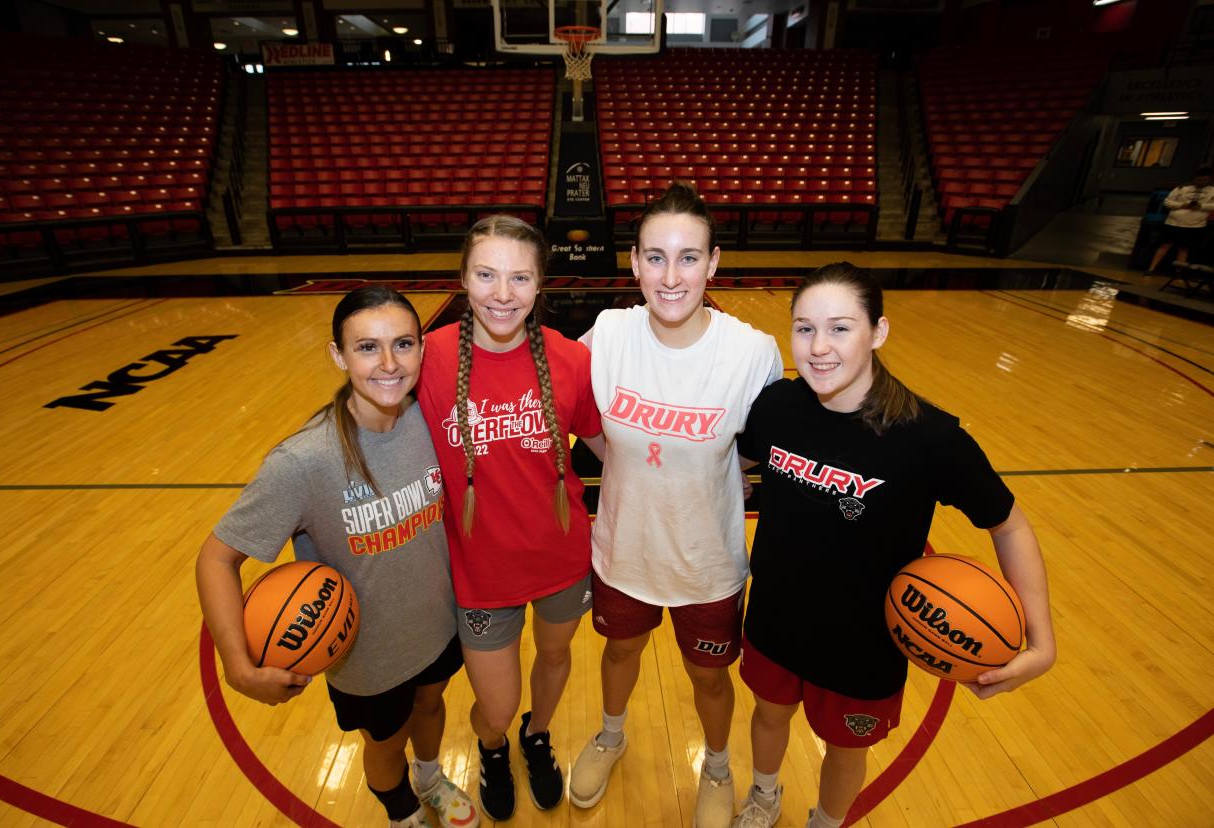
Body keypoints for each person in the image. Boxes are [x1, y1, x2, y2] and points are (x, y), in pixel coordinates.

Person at [731, 262, 1057, 828]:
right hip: (776, 616)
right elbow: (732, 463)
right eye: (804, 328)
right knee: (767, 714)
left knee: (845, 749)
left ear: (878, 332)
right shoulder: (777, 406)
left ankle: (827, 823)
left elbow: (1009, 525)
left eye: (840, 328)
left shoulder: (930, 438)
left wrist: (1041, 641)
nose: (819, 347)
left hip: (866, 643)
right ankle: (764, 797)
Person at [195, 286, 479, 828]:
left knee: (431, 706)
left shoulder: (433, 421)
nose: (389, 364)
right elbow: (215, 559)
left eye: (403, 344)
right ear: (338, 355)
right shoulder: (304, 461)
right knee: (384, 741)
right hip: (367, 656)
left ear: (422, 349)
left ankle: (430, 777)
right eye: (367, 347)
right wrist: (236, 666)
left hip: (439, 625)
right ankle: (401, 813)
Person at [570, 181, 784, 828]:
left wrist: (702, 470)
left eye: (688, 257)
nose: (670, 276)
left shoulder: (750, 352)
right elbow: (579, 414)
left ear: (714, 263)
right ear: (632, 263)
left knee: (710, 680)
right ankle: (612, 735)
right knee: (619, 654)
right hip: (623, 551)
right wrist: (625, 460)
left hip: (706, 562)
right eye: (654, 257)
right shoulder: (606, 334)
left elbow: (760, 450)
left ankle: (717, 767)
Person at [414, 215, 602, 821]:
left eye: (519, 277)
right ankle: (494, 744)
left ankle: (537, 735)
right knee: (494, 707)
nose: (502, 293)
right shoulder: (426, 358)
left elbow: (611, 450)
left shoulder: (571, 360)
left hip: (562, 558)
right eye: (487, 275)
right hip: (480, 573)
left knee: (553, 659)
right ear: (463, 278)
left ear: (540, 283)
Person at [1147, 165, 1214, 274]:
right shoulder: (1182, 188)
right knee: (1165, 245)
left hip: (1195, 225)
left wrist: (1201, 206)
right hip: (1173, 222)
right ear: (1194, 178)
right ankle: (1152, 268)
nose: (1201, 182)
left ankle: (1178, 272)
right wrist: (1183, 205)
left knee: (1183, 248)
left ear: (1209, 179)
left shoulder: (1212, 191)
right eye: (1199, 179)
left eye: (1204, 180)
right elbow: (1167, 202)